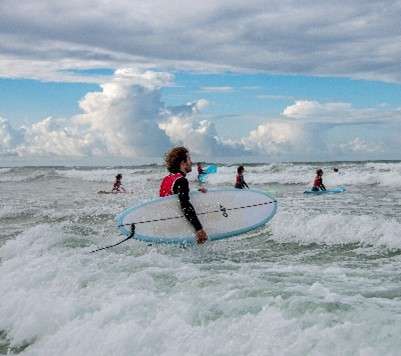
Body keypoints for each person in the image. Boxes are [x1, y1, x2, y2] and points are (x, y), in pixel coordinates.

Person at [159, 147, 208, 244]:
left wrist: (194, 192)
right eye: (189, 159)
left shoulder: (167, 178)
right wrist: (198, 229)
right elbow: (184, 204)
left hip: (166, 227)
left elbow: (173, 198)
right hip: (177, 228)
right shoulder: (181, 180)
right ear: (183, 162)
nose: (191, 162)